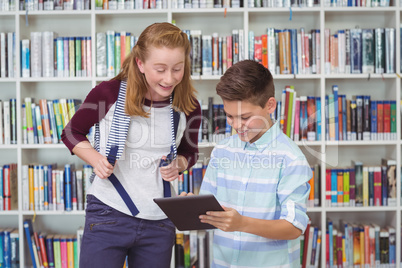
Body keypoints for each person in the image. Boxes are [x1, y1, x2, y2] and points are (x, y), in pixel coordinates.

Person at [61, 22, 201, 268]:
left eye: (177, 69)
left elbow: (190, 153)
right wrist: (95, 159)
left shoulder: (188, 106)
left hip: (160, 219)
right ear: (140, 64)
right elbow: (72, 132)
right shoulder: (109, 93)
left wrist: (179, 164)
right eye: (160, 69)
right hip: (108, 213)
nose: (170, 78)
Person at [198, 60, 312, 267]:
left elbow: (294, 228)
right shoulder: (222, 151)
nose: (237, 125)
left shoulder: (290, 159)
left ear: (270, 105)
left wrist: (242, 224)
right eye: (230, 116)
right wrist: (191, 207)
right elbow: (209, 209)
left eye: (246, 117)